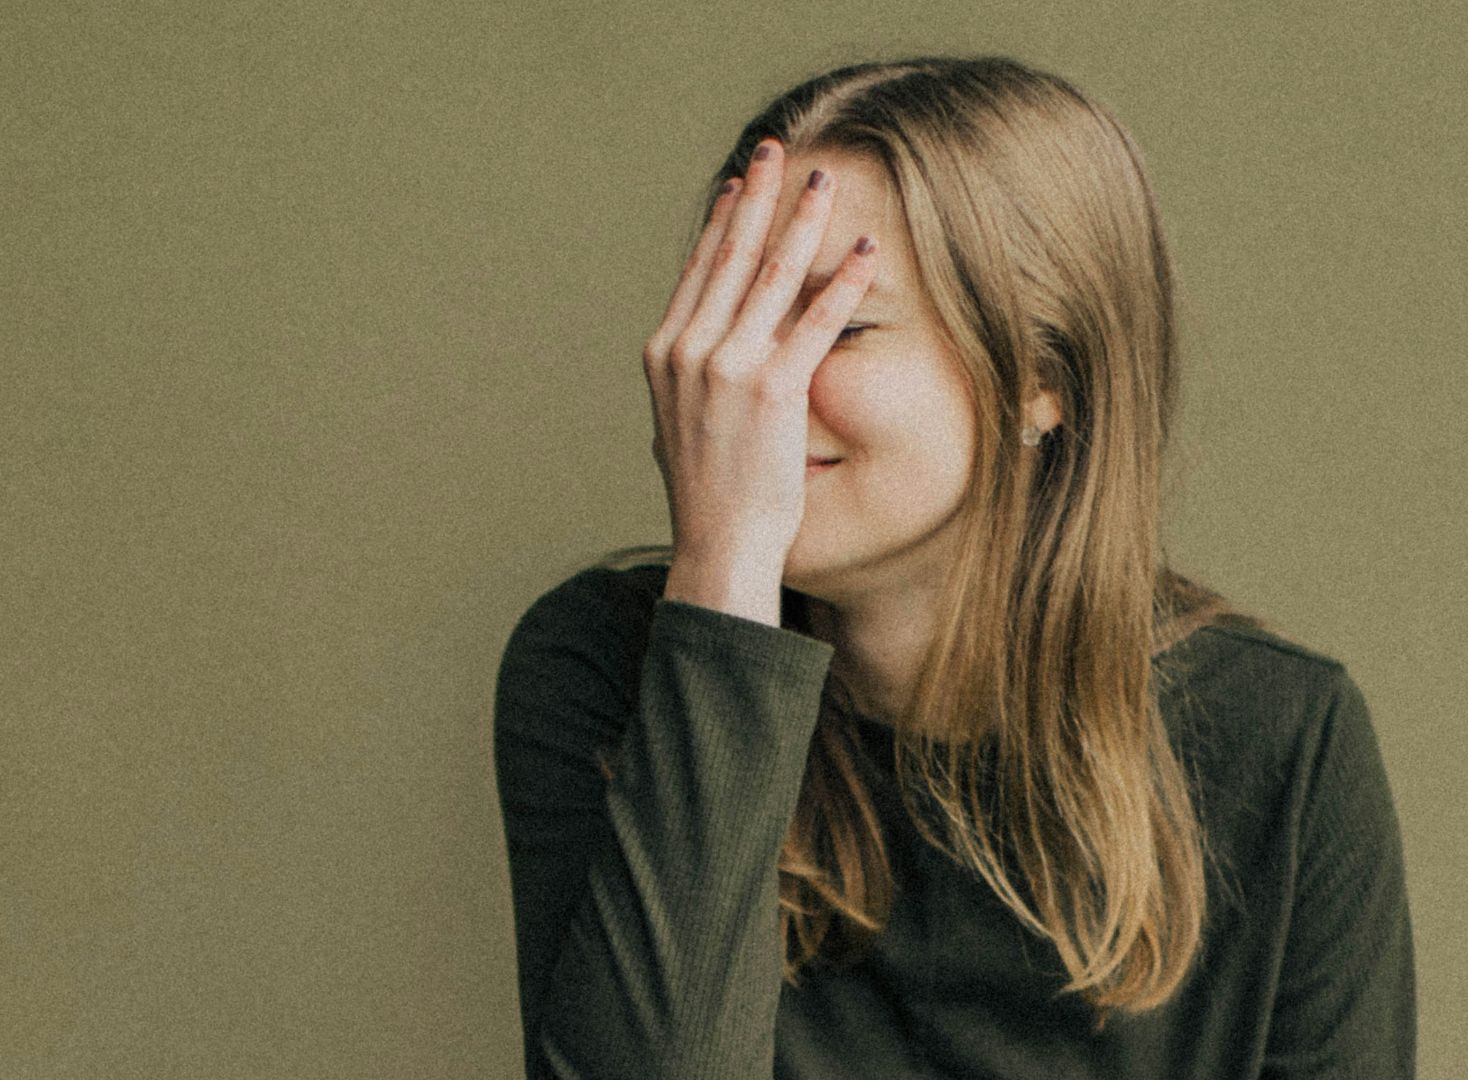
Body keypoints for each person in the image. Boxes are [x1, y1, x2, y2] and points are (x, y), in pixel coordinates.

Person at [493, 54, 1415, 1079]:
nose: (749, 384)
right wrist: (725, 565)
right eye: (736, 313)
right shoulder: (605, 667)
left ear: (1040, 379)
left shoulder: (1280, 741)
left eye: (836, 324)